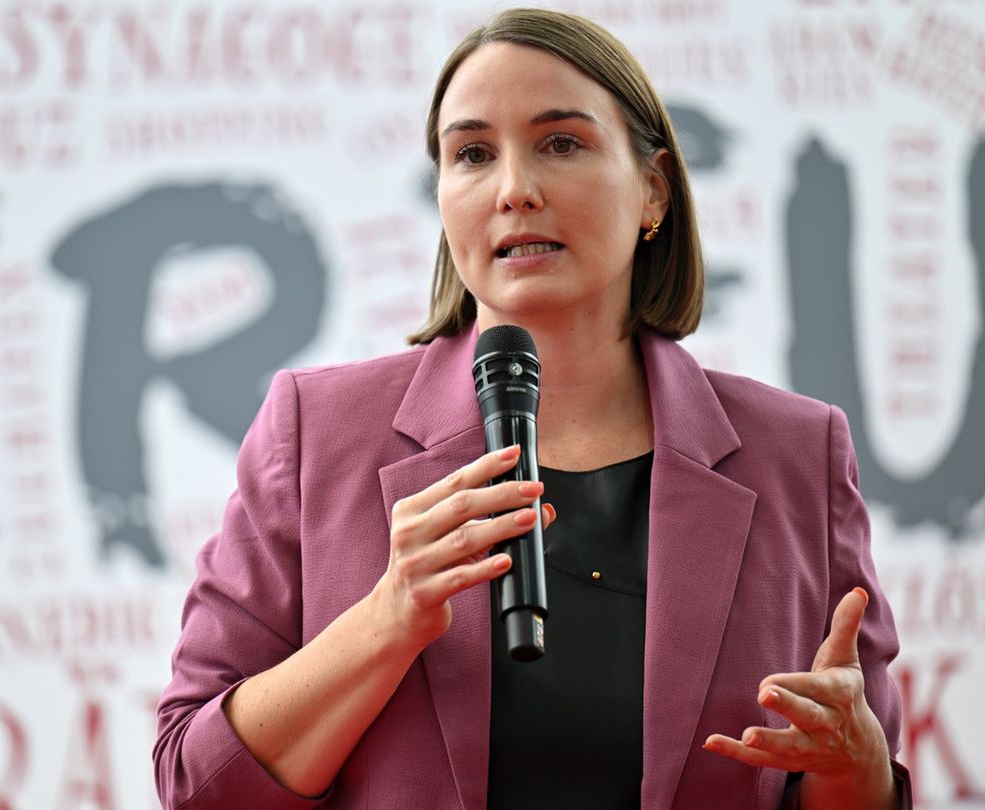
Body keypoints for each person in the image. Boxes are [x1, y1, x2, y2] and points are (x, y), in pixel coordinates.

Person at [154, 8, 910, 808]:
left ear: (653, 190)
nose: (515, 190)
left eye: (561, 143)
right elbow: (195, 783)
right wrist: (386, 619)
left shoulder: (798, 453)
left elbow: (855, 785)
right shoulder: (316, 432)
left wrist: (854, 767)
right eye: (473, 154)